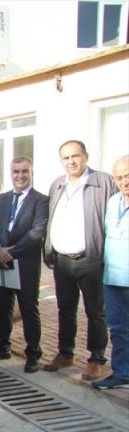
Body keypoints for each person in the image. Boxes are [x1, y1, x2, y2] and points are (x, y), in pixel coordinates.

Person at [44, 140, 116, 380]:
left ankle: (96, 359)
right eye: (66, 158)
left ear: (86, 156)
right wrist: (49, 250)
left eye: (75, 156)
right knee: (65, 309)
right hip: (62, 261)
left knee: (95, 311)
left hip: (91, 260)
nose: (71, 161)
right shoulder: (58, 184)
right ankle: (65, 353)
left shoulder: (103, 182)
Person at [0, 159, 48, 373]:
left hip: (25, 263)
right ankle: (2, 346)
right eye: (15, 171)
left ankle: (33, 353)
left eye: (24, 171)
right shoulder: (2, 199)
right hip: (1, 261)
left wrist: (11, 251)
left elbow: (37, 232)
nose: (20, 175)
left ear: (32, 172)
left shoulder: (40, 200)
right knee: (1, 306)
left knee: (28, 309)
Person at [93, 155, 129, 390]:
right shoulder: (113, 201)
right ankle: (122, 374)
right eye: (119, 177)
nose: (124, 181)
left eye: (128, 176)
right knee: (118, 329)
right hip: (113, 278)